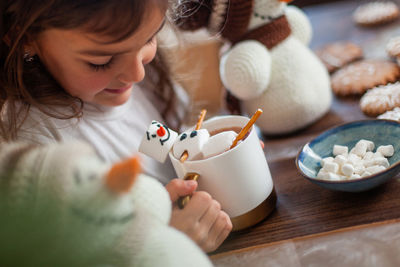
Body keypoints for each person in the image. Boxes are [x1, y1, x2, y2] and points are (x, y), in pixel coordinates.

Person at [0, 0, 232, 253]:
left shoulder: (142, 80)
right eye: (101, 61)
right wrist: (156, 241)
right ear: (24, 37)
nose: (137, 74)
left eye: (149, 39)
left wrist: (213, 155)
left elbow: (159, 152)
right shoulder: (35, 147)